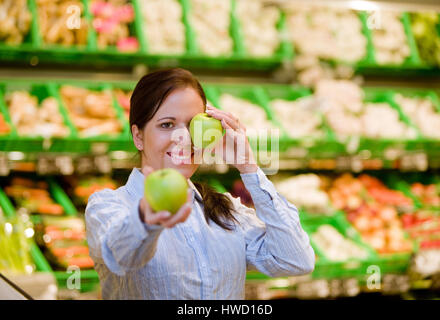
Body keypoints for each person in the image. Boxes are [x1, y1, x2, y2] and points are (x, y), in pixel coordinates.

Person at [85, 68, 315, 300]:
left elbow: (296, 260)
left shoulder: (226, 213)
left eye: (194, 125)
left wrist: (249, 167)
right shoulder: (108, 207)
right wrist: (148, 219)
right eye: (167, 125)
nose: (184, 138)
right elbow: (122, 253)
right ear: (138, 136)